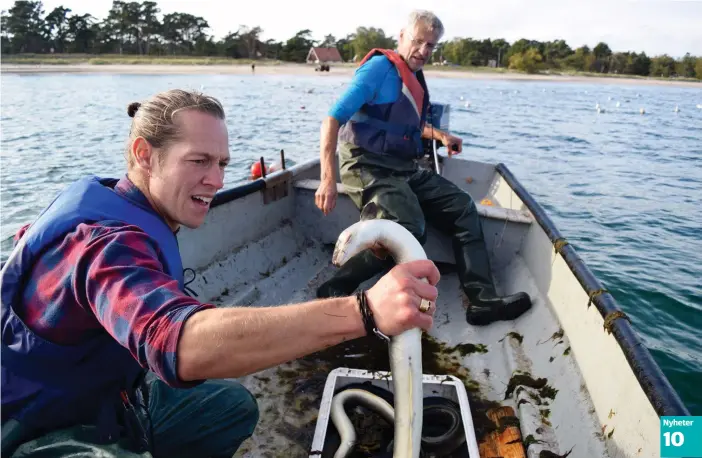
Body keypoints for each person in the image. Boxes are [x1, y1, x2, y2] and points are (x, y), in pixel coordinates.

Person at [0, 89, 441, 457]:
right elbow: (179, 344)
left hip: (104, 399)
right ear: (144, 155)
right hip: (35, 424)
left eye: (223, 164)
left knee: (229, 407)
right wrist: (365, 311)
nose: (216, 180)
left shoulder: (113, 199)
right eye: (198, 161)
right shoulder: (105, 243)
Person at [314, 10, 532, 326]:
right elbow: (332, 120)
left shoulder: (413, 76)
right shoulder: (378, 70)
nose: (423, 51)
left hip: (402, 167)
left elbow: (404, 126)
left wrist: (440, 135)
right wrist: (327, 179)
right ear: (402, 36)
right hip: (365, 164)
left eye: (431, 46)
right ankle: (334, 288)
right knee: (407, 226)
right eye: (418, 42)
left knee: (462, 208)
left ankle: (482, 300)